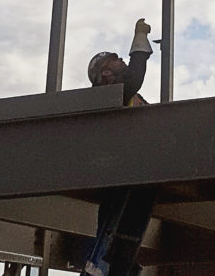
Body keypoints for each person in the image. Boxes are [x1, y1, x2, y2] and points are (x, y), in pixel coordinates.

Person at [83, 19, 155, 276]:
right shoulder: (112, 94)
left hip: (136, 175)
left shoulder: (131, 98)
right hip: (119, 174)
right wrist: (139, 39)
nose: (121, 59)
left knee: (125, 237)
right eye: (114, 59)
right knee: (111, 235)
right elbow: (135, 77)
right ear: (106, 74)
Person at [87, 18, 153, 105]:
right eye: (114, 59)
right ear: (106, 72)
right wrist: (140, 35)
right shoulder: (107, 97)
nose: (121, 59)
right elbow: (134, 75)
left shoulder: (129, 95)